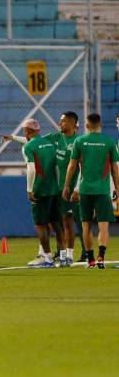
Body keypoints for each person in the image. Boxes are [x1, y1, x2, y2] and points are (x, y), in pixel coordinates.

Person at [3, 111, 82, 266]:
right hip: (56, 188)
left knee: (66, 222)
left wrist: (77, 188)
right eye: (60, 121)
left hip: (71, 188)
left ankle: (65, 255)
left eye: (63, 121)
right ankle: (59, 255)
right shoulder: (54, 137)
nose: (60, 124)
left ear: (73, 124)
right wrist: (13, 138)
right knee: (57, 222)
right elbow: (34, 141)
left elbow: (81, 166)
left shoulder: (78, 141)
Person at [63, 113, 119, 269]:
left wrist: (67, 186)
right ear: (100, 125)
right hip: (102, 190)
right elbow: (114, 168)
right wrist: (118, 188)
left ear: (87, 126)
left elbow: (72, 166)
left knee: (86, 225)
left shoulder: (79, 141)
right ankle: (101, 257)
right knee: (103, 226)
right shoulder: (109, 142)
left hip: (85, 190)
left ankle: (91, 260)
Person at [20, 118, 64, 268]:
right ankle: (63, 256)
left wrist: (29, 189)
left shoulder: (28, 147)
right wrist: (58, 186)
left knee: (41, 225)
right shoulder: (49, 144)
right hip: (54, 189)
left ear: (26, 131)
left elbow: (31, 169)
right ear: (38, 130)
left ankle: (47, 258)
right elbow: (56, 168)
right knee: (56, 224)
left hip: (40, 190)